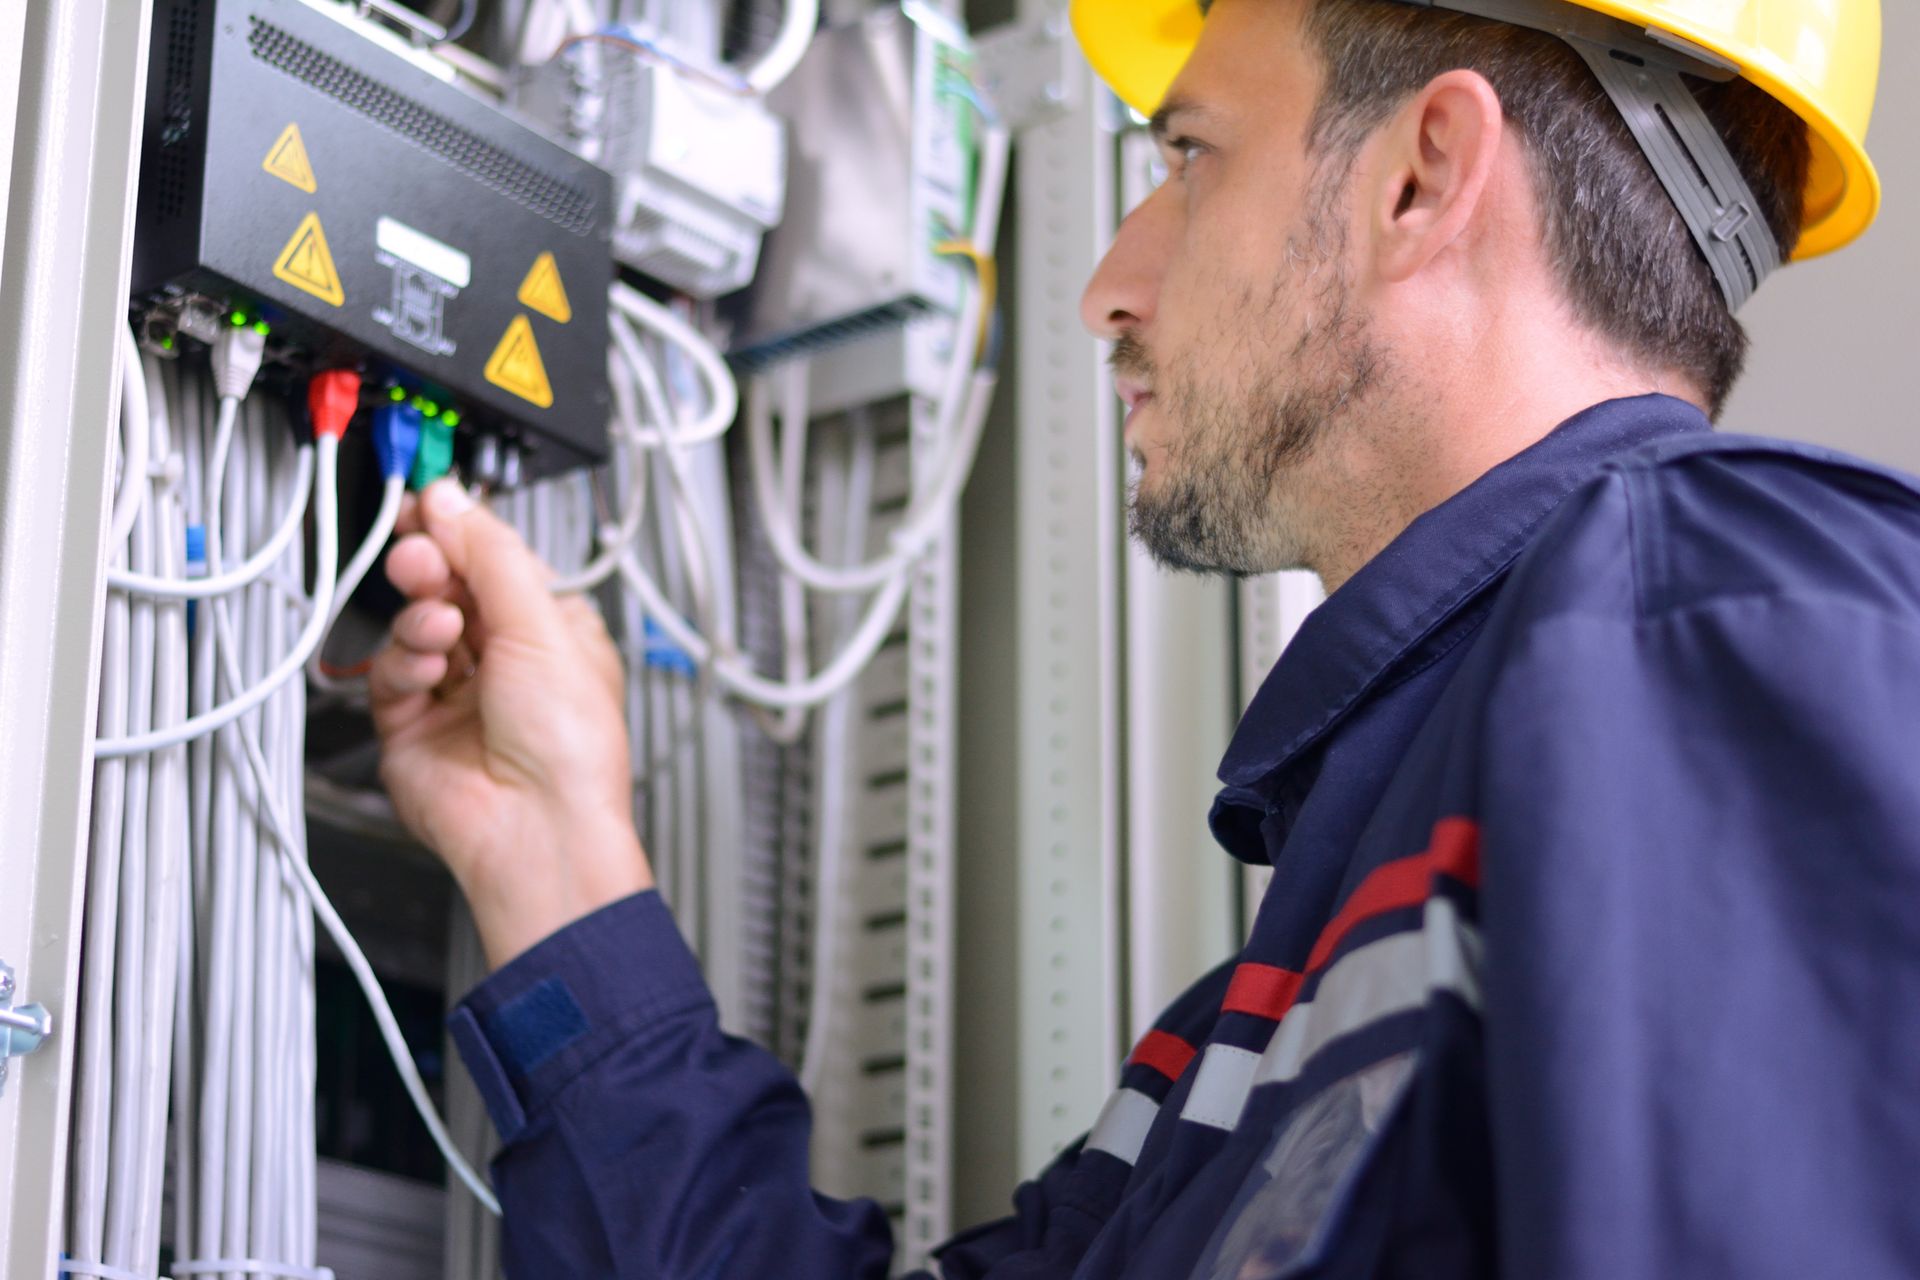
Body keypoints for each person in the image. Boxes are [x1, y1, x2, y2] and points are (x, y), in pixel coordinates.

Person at [370, 0, 1918, 1275]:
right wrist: (555, 856)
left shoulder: (1735, 606)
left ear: (1424, 173)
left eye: (1190, 155)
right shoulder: (1265, 1009)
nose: (1110, 287)